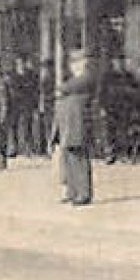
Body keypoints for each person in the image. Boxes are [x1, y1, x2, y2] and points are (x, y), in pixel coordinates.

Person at [52, 52, 95, 206]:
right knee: (69, 158)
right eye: (73, 63)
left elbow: (65, 87)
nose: (74, 66)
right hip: (69, 124)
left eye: (77, 62)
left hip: (79, 124)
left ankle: (84, 193)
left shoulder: (86, 78)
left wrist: (62, 89)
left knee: (79, 159)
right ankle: (72, 190)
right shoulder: (76, 80)